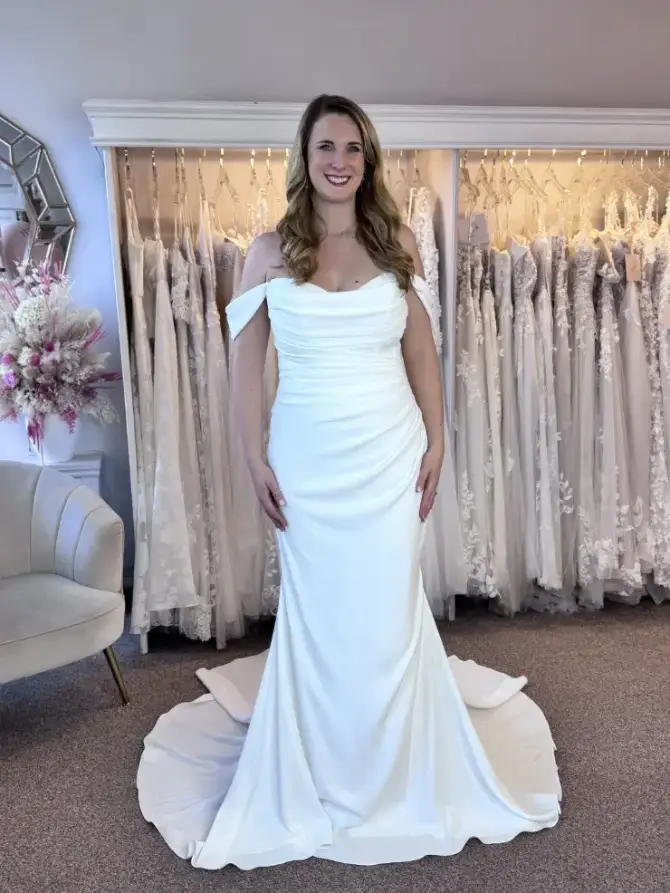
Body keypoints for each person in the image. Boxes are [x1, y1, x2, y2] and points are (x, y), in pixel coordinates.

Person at [137, 94, 561, 870]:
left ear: (367, 162)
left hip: (388, 454)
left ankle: (400, 766)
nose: (339, 161)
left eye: (353, 150)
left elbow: (422, 353)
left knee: (387, 610)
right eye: (326, 146)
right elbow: (243, 370)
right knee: (321, 616)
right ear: (304, 156)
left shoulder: (397, 241)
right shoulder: (265, 252)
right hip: (307, 462)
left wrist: (439, 438)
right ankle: (321, 767)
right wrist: (254, 455)